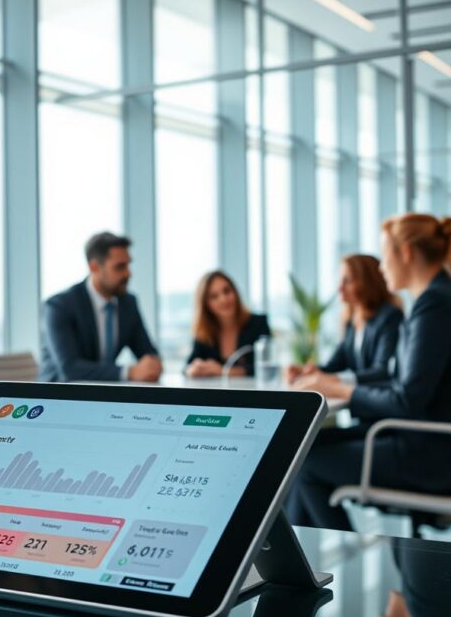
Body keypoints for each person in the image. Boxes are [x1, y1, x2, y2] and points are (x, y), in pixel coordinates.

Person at [287, 213, 451, 531]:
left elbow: (407, 400)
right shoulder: (431, 302)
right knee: (300, 449)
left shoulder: (434, 307)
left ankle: (324, 568)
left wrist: (343, 390)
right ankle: (301, 570)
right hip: (416, 436)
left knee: (304, 465)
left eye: (384, 255)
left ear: (405, 252)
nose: (382, 267)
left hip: (429, 452)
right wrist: (334, 381)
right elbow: (403, 382)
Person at [40, 231, 162, 383]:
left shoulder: (128, 303)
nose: (128, 273)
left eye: (128, 264)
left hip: (104, 395)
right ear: (95, 267)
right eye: (120, 267)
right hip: (58, 396)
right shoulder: (59, 306)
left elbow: (147, 353)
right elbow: (70, 368)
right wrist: (128, 371)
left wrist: (152, 365)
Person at [286, 254, 403, 388]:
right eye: (340, 280)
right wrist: (307, 372)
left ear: (369, 282)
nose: (339, 288)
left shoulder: (390, 317)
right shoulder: (352, 320)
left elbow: (382, 372)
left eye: (347, 280)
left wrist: (332, 380)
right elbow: (336, 364)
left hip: (380, 406)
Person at [185, 270, 270, 377]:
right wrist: (193, 370)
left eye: (227, 291)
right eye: (214, 296)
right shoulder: (204, 333)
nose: (223, 300)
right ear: (205, 305)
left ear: (235, 292)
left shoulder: (258, 324)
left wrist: (222, 371)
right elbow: (188, 367)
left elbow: (266, 367)